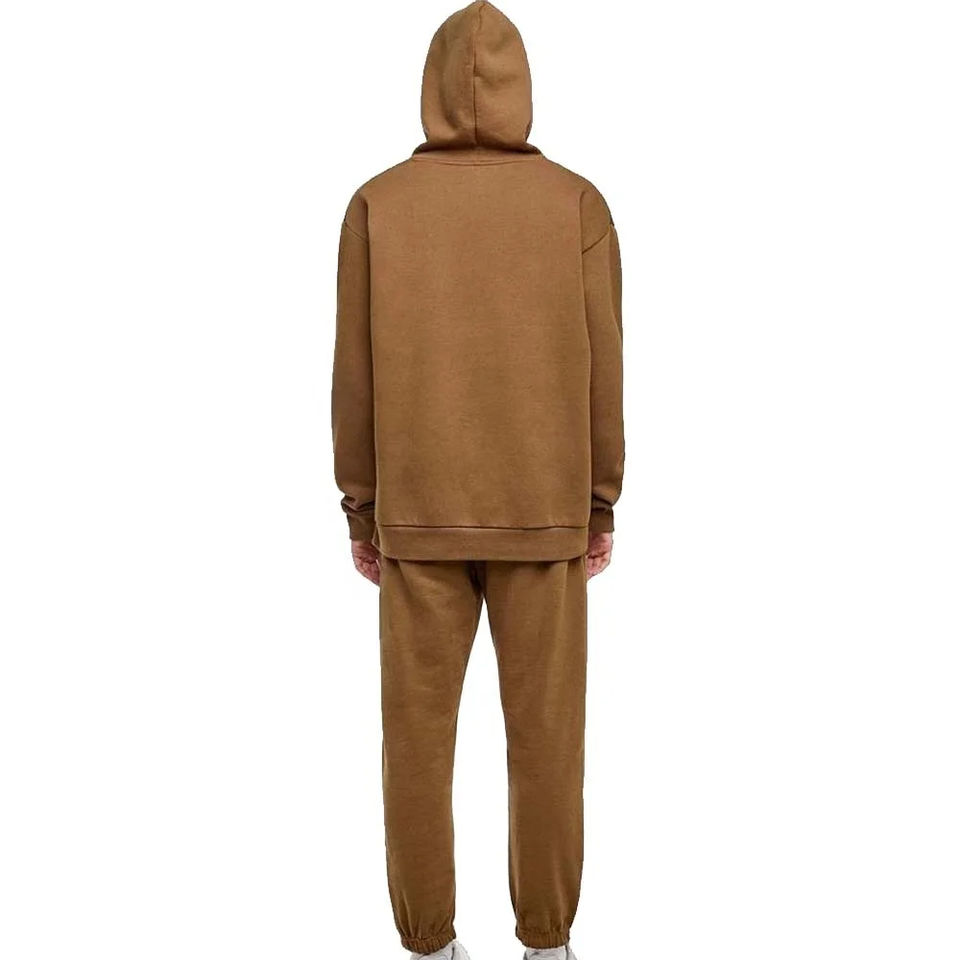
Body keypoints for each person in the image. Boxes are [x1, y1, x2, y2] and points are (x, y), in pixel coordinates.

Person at [332, 3, 624, 958]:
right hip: (544, 513)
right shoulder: (576, 204)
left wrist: (363, 509)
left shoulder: (377, 204)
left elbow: (352, 375)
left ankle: (429, 945)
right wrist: (599, 501)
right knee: (548, 746)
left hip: (417, 517)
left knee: (416, 747)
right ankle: (547, 943)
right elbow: (606, 364)